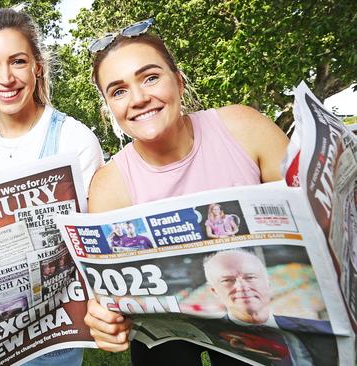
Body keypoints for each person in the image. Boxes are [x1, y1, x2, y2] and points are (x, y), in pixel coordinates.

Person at [83, 18, 290, 365]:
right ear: (109, 109)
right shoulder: (108, 183)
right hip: (170, 337)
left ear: (178, 82)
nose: (138, 98)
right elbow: (105, 291)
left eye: (150, 77)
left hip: (262, 316)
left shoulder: (245, 127)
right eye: (118, 91)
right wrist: (102, 315)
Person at [0, 7, 104, 366]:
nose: (5, 78)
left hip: (54, 340)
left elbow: (93, 247)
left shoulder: (75, 139)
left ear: (37, 65)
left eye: (17, 61)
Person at [203, 250, 335, 365]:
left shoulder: (321, 330)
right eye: (227, 280)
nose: (242, 287)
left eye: (250, 277)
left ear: (268, 284)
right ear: (214, 291)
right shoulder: (205, 341)